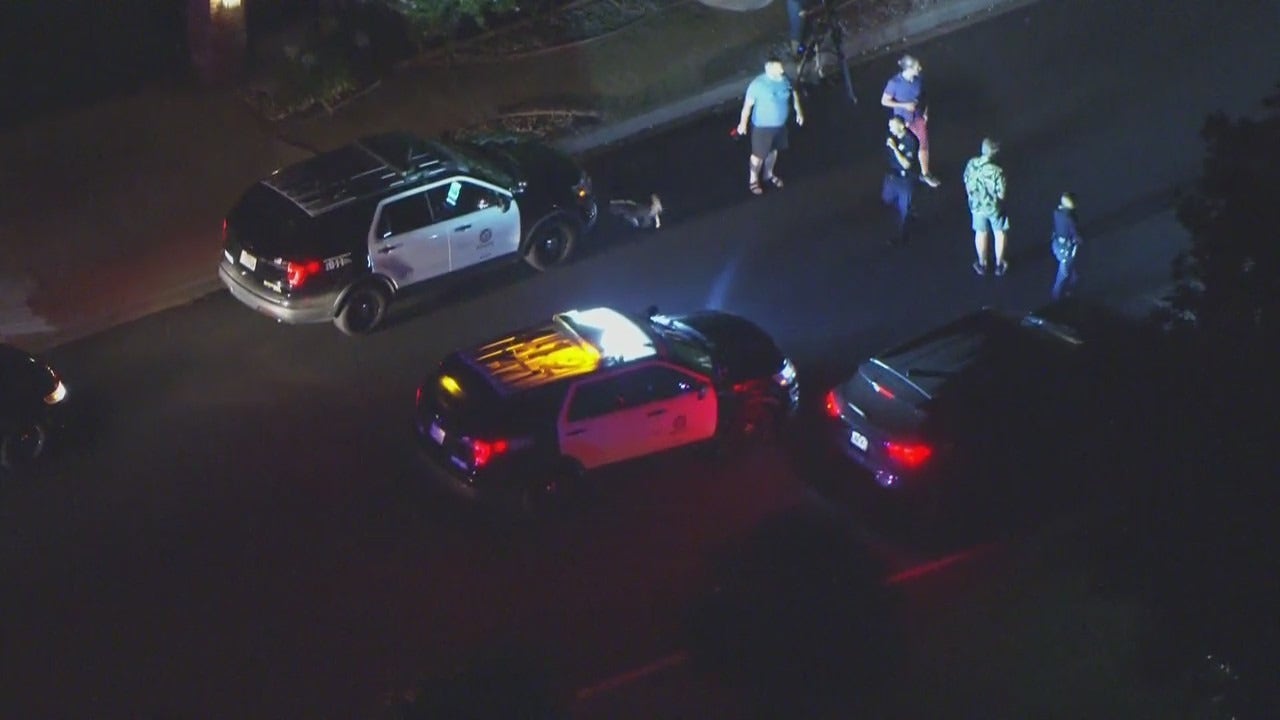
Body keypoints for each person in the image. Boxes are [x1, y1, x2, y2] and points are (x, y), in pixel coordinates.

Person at [737, 58, 805, 196]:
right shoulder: (758, 85)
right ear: (768, 69)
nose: (781, 70)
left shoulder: (786, 81)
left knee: (773, 152)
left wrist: (799, 112)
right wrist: (742, 124)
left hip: (780, 127)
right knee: (758, 156)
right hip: (762, 128)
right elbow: (747, 107)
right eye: (778, 68)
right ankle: (753, 179)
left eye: (781, 68)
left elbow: (795, 96)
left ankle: (768, 174)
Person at [881, 55, 940, 188]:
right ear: (908, 69)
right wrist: (904, 105)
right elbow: (884, 101)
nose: (920, 68)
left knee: (923, 144)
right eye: (916, 67)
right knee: (905, 148)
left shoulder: (919, 79)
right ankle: (903, 177)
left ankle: (925, 174)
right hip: (903, 121)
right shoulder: (894, 83)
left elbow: (924, 95)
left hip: (918, 118)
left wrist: (925, 112)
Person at [962, 137, 1009, 276]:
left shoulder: (971, 164)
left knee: (980, 233)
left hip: (976, 206)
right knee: (999, 232)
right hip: (993, 208)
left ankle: (982, 263)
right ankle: (999, 264)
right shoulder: (997, 171)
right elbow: (1001, 194)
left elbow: (966, 182)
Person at [882, 116, 919, 245]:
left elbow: (907, 164)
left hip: (905, 179)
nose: (890, 128)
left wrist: (895, 148)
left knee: (903, 211)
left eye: (892, 126)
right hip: (892, 177)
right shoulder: (892, 137)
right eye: (889, 126)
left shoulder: (910, 140)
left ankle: (901, 237)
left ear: (902, 126)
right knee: (887, 202)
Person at [1050, 192, 1081, 299]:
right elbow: (1075, 234)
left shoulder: (1056, 212)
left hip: (1057, 245)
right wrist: (1079, 240)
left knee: (1071, 269)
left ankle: (1073, 282)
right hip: (1066, 250)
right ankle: (1056, 297)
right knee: (1062, 275)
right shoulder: (1071, 218)